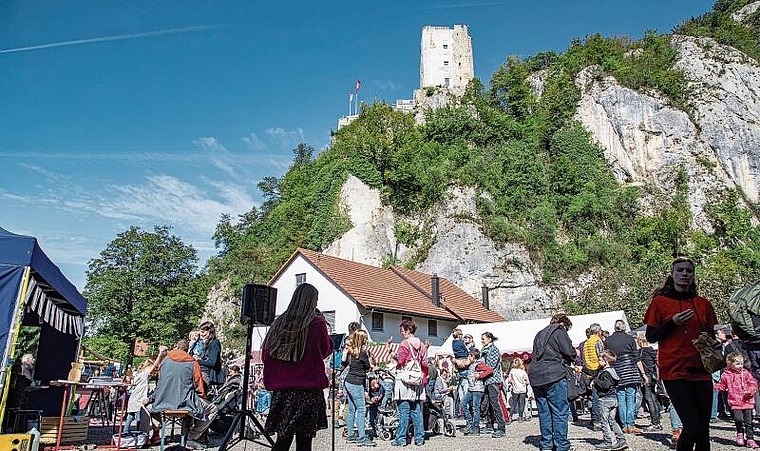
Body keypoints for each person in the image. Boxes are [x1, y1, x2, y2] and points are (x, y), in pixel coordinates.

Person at [644, 256, 717, 451]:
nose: (685, 274)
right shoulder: (660, 303)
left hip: (701, 370)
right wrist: (672, 323)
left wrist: (713, 344)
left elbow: (710, 334)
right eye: (680, 270)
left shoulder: (703, 304)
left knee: (703, 430)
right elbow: (650, 336)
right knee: (692, 427)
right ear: (672, 274)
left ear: (693, 275)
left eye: (689, 271)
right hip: (674, 371)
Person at [262, 283, 333, 451]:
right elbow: (325, 350)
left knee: (283, 439)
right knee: (304, 441)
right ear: (312, 301)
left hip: (283, 392)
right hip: (308, 392)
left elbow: (266, 355)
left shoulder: (279, 323)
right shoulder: (316, 323)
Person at [150, 339, 217, 450]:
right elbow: (199, 385)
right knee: (213, 409)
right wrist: (202, 396)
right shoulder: (192, 362)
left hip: (163, 401)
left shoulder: (165, 360)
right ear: (187, 350)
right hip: (185, 403)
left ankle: (158, 431)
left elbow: (160, 382)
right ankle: (191, 438)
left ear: (176, 346)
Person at [529, 313, 577, 451]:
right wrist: (574, 353)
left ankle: (546, 445)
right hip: (554, 374)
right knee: (559, 411)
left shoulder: (539, 334)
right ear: (565, 324)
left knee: (544, 413)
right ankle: (561, 445)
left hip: (536, 376)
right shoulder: (559, 331)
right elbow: (569, 352)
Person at [604, 320, 647, 434]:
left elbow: (607, 356)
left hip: (617, 370)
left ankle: (624, 425)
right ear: (624, 328)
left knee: (621, 398)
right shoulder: (630, 339)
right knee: (631, 397)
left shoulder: (608, 340)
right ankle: (631, 424)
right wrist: (643, 374)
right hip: (630, 369)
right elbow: (637, 358)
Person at [391, 319, 428, 447]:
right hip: (416, 382)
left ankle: (401, 438)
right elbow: (425, 363)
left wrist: (393, 355)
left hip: (404, 381)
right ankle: (419, 438)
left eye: (402, 331)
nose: (402, 334)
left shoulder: (404, 343)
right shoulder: (422, 345)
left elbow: (400, 361)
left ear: (407, 330)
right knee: (416, 411)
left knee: (404, 411)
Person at [714, 351, 759, 448]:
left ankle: (750, 438)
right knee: (738, 419)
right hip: (735, 401)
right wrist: (715, 387)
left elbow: (753, 383)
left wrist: (750, 391)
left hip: (747, 400)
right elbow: (722, 385)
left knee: (748, 421)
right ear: (730, 363)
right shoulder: (726, 375)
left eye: (741, 363)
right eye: (737, 363)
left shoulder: (746, 373)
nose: (740, 366)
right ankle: (740, 433)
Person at [343, 329, 376, 447]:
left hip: (349, 381)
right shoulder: (362, 352)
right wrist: (372, 367)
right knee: (361, 409)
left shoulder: (352, 351)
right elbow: (367, 367)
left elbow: (344, 363)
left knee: (352, 409)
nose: (367, 340)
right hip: (356, 383)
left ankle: (351, 435)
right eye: (365, 338)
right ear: (361, 339)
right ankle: (362, 437)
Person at [124, 348, 165, 434]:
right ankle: (140, 433)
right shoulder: (144, 374)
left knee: (130, 416)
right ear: (148, 366)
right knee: (140, 417)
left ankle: (125, 431)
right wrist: (160, 355)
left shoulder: (138, 374)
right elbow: (154, 365)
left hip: (134, 397)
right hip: (139, 398)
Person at [594, 350, 627, 451]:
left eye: (600, 360)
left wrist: (595, 381)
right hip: (613, 398)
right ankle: (621, 439)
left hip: (605, 399)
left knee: (604, 421)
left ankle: (608, 441)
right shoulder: (613, 371)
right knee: (612, 421)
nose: (598, 361)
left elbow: (605, 385)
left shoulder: (605, 373)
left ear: (606, 361)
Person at [480, 331, 507, 437]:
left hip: (493, 380)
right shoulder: (485, 350)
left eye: (483, 339)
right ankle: (489, 425)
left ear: (489, 339)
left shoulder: (494, 350)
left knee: (495, 404)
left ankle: (501, 427)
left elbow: (490, 366)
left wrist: (479, 367)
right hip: (486, 381)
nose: (482, 341)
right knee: (487, 405)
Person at [636, 332, 662, 431]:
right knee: (653, 396)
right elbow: (657, 363)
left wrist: (643, 375)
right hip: (653, 376)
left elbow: (639, 363)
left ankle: (655, 422)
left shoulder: (641, 352)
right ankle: (657, 418)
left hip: (645, 376)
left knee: (648, 398)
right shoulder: (651, 350)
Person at [582, 323, 605, 431]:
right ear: (598, 331)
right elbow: (601, 355)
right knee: (597, 397)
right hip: (597, 369)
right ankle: (598, 420)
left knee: (591, 396)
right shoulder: (597, 341)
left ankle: (594, 419)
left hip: (588, 370)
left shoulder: (586, 342)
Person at [462, 349, 487, 435]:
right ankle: (469, 422)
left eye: (469, 356)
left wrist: (479, 376)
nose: (468, 357)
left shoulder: (479, 364)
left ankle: (476, 427)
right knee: (463, 403)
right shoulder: (472, 365)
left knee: (475, 408)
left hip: (478, 389)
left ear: (473, 356)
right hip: (471, 388)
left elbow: (489, 370)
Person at [197, 321, 223, 389]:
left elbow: (212, 362)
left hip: (212, 377)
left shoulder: (214, 343)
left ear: (209, 331)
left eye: (203, 332)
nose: (201, 334)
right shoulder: (209, 343)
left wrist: (198, 361)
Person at [508, 358, 530, 422]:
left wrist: (513, 382)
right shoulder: (523, 372)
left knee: (514, 403)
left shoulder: (512, 371)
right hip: (523, 389)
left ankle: (510, 417)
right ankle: (520, 417)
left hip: (515, 389)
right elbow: (527, 382)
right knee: (522, 403)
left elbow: (509, 380)